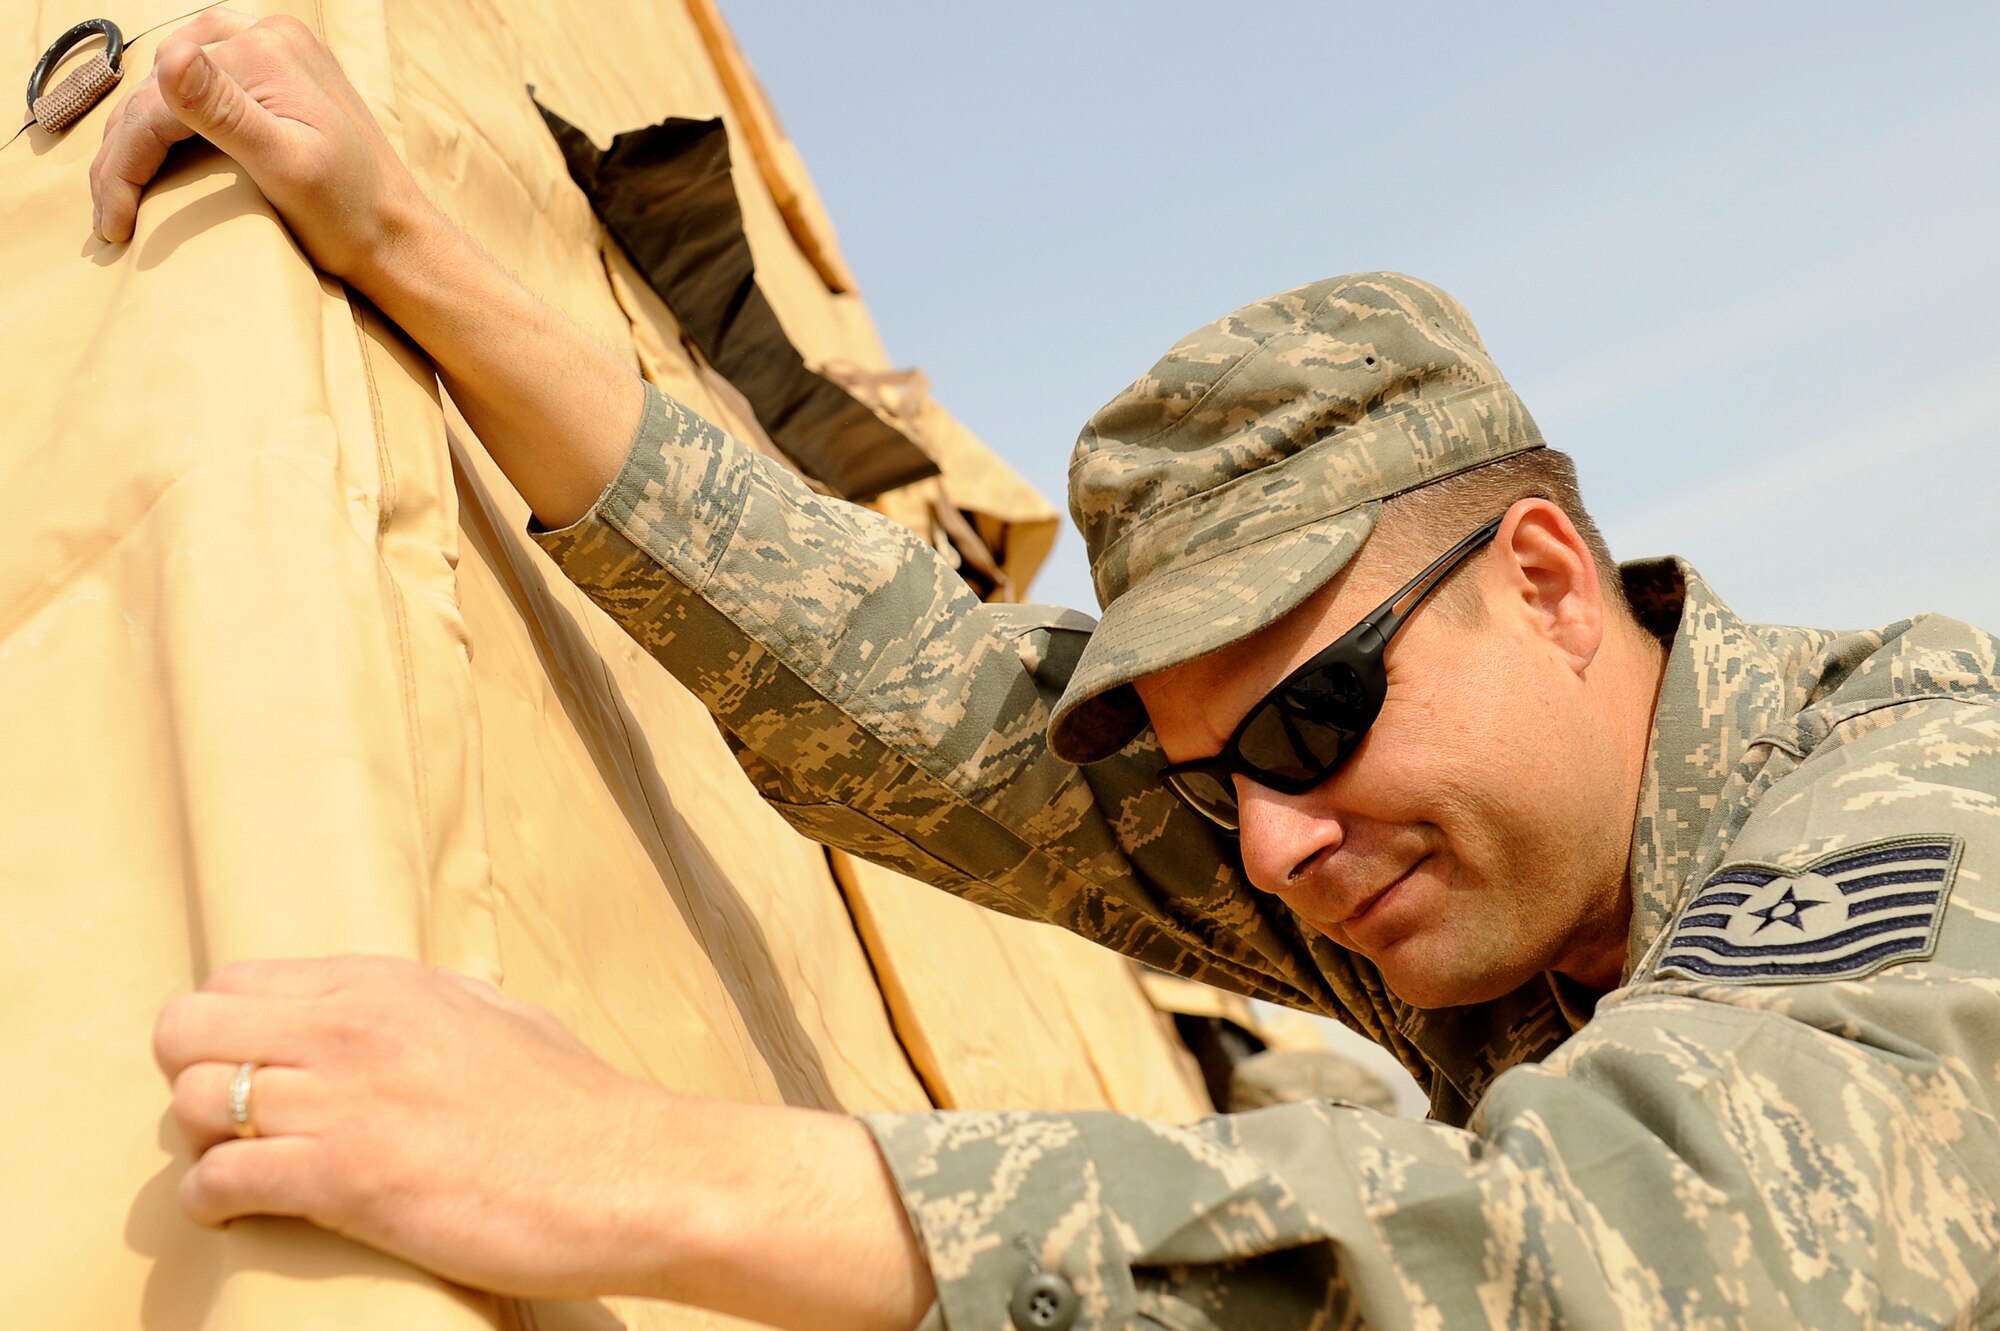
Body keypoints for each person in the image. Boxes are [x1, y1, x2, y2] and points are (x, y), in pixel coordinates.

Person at [100, 13, 2000, 1330]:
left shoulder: (1920, 788)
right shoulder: (1461, 843)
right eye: (1209, 776)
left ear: (1546, 577)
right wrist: (402, 237)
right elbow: (908, 687)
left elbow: (1663, 1261)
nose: (1269, 850)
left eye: (1314, 725)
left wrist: (647, 1171)